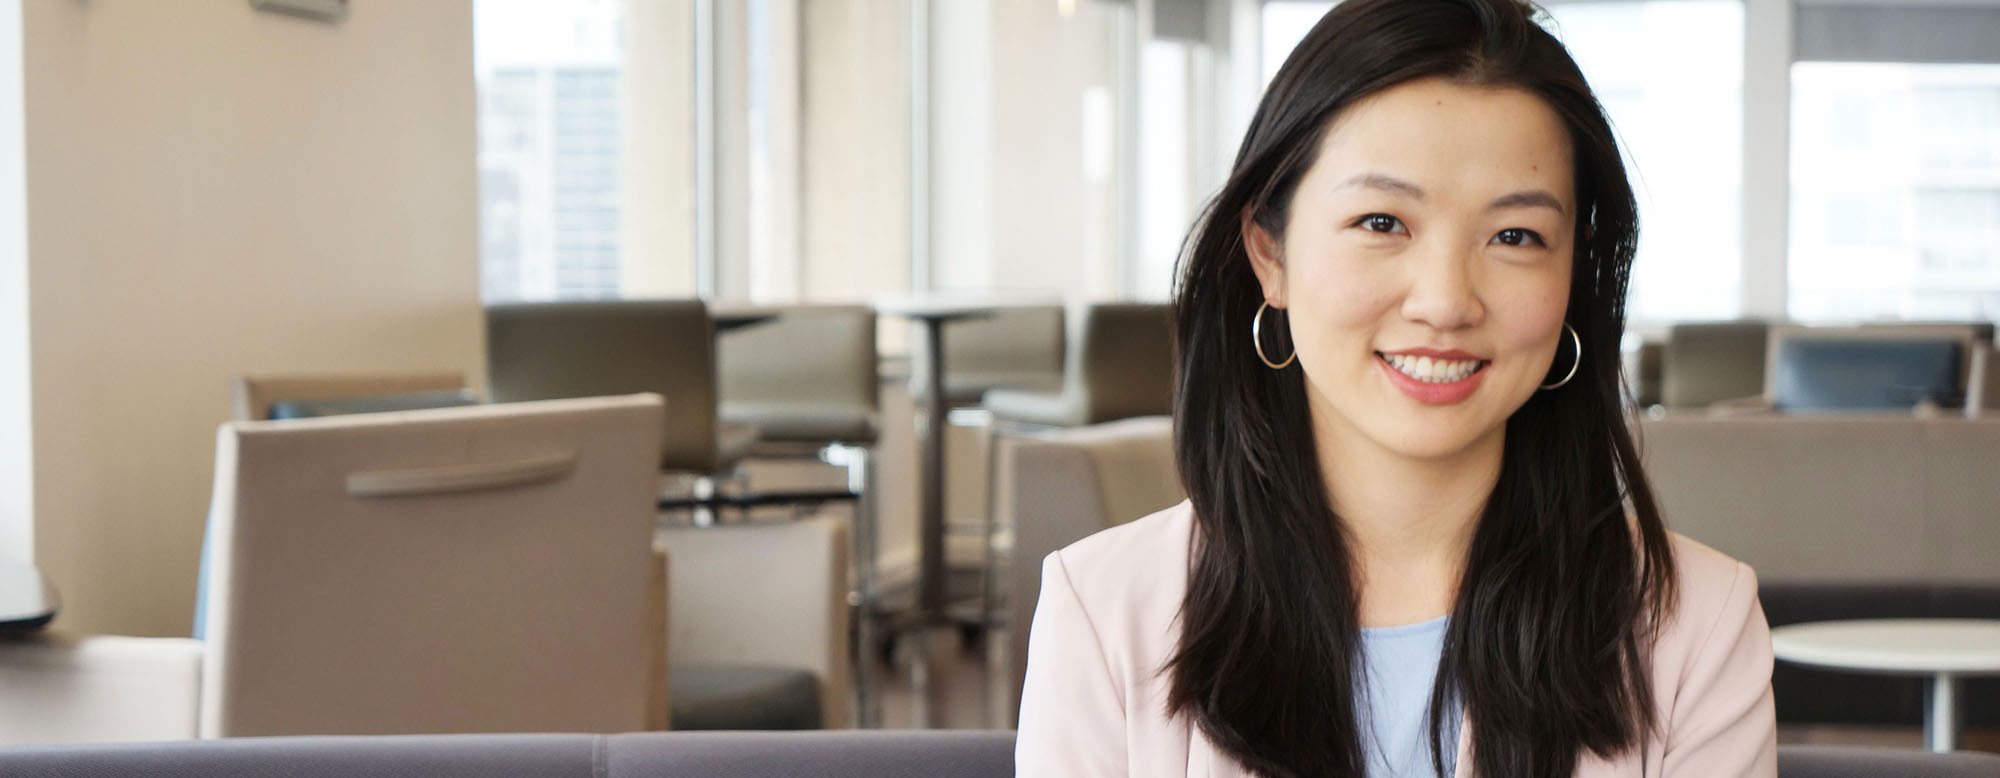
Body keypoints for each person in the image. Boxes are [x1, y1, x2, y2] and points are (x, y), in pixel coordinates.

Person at [1013, 0, 1776, 776]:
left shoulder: (1698, 629)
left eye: (1515, 237)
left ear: (1573, 278)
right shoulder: (1103, 613)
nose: (1445, 301)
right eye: (1382, 222)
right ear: (1269, 252)